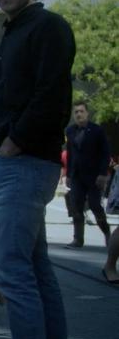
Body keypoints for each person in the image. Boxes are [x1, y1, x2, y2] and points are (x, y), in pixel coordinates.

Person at [0, 0, 75, 339]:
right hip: (12, 166)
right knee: (37, 274)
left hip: (25, 164)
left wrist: (10, 146)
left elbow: (50, 97)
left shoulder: (48, 27)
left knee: (14, 276)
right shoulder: (16, 28)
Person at [64, 101, 111, 248]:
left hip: (94, 176)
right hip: (77, 175)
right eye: (76, 112)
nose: (78, 114)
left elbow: (105, 153)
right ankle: (78, 239)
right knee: (76, 207)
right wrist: (68, 175)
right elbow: (70, 154)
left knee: (95, 206)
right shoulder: (70, 131)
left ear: (87, 113)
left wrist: (103, 174)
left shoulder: (97, 131)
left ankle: (107, 233)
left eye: (81, 111)